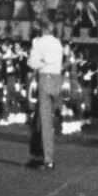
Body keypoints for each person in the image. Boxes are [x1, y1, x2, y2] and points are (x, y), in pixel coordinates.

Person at [28, 18, 66, 170]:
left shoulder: (41, 42)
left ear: (41, 29)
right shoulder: (58, 43)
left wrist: (42, 63)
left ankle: (48, 159)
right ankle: (36, 154)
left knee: (44, 121)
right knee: (39, 119)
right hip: (57, 79)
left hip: (45, 78)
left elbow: (31, 62)